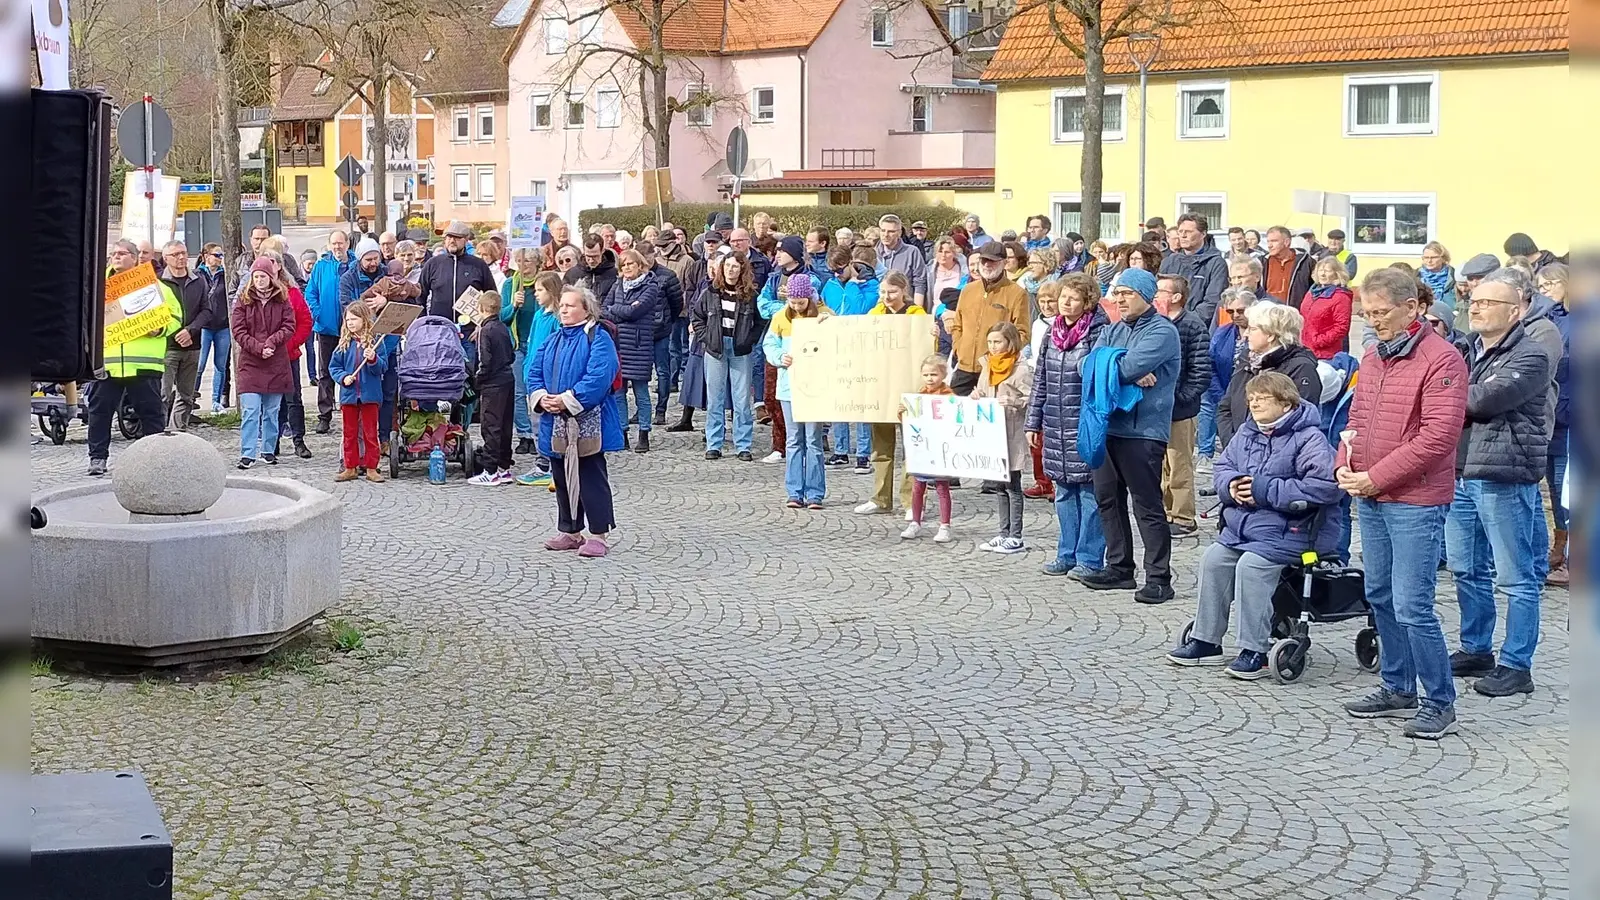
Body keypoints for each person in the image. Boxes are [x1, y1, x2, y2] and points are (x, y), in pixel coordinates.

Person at [1336, 268, 1468, 740]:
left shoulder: (1443, 360)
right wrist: (1343, 465)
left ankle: (1439, 699)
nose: (1373, 322)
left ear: (1412, 308)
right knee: (1380, 594)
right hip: (1370, 491)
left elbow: (1438, 438)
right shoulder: (1373, 356)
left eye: (1380, 312)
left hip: (1414, 498)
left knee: (1414, 603)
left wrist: (1377, 477)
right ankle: (1397, 685)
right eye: (1366, 313)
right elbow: (1354, 419)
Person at [1167, 372, 1342, 678]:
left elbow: (1326, 487)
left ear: (1286, 403)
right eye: (1251, 398)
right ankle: (1207, 640)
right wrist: (1231, 486)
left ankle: (1255, 649)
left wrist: (1264, 490)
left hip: (1294, 529)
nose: (1254, 403)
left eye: (1263, 398)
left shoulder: (1309, 438)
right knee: (1214, 558)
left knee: (1251, 565)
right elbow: (1223, 467)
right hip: (1247, 527)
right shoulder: (1248, 432)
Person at [1441, 276, 1553, 697]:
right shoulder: (1466, 348)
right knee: (1466, 568)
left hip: (1503, 476)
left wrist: (1449, 393)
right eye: (1474, 299)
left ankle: (1516, 664)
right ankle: (1476, 648)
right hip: (1461, 472)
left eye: (1489, 301)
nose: (1477, 307)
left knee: (1515, 575)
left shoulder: (1532, 354)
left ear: (1515, 310)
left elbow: (1484, 401)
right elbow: (1450, 393)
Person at [1077, 268, 1180, 604]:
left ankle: (1159, 578)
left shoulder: (1163, 332)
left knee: (1147, 505)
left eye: (1126, 293)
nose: (1119, 299)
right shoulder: (1112, 329)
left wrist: (1116, 367)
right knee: (1108, 499)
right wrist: (1118, 365)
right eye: (1116, 293)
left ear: (1146, 296)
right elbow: (1084, 366)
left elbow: (1123, 368)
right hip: (1108, 425)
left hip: (1143, 431)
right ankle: (1120, 568)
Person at [529, 285, 624, 558]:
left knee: (591, 475)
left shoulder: (599, 338)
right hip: (555, 421)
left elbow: (599, 376)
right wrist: (542, 397)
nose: (564, 309)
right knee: (561, 475)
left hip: (587, 420)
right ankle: (570, 531)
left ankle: (598, 534)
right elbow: (535, 372)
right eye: (563, 305)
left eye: (571, 305)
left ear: (586, 309)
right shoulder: (553, 339)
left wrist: (568, 399)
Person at [1026, 271, 1107, 576]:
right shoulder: (1052, 333)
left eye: (1074, 298)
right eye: (1063, 297)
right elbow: (1041, 381)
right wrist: (1033, 422)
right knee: (1063, 492)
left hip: (1084, 423)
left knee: (1088, 493)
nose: (1066, 303)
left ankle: (1089, 557)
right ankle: (1066, 553)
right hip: (1056, 422)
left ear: (1088, 302)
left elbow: (1101, 378)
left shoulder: (1099, 332)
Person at [87, 240, 182, 476]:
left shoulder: (156, 287)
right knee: (99, 412)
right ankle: (97, 459)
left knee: (151, 414)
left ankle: (157, 460)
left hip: (143, 363)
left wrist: (159, 329)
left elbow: (176, 318)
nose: (116, 257)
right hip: (107, 362)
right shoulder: (99, 288)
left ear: (134, 257)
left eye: (121, 254)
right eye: (113, 254)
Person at [856, 271, 928, 515]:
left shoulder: (916, 315)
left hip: (908, 388)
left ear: (904, 291)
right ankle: (880, 498)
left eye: (892, 292)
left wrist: (934, 336)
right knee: (881, 447)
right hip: (881, 388)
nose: (887, 297)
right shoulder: (874, 315)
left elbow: (926, 351)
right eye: (884, 292)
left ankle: (911, 502)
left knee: (911, 447)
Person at [764, 273, 831, 509]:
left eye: (800, 302)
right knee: (794, 440)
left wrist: (829, 325)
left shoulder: (824, 316)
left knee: (813, 440)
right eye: (792, 301)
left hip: (815, 387)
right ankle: (794, 492)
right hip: (789, 386)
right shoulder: (780, 317)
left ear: (810, 298)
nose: (795, 306)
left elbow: (838, 342)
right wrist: (780, 357)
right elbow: (769, 344)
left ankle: (815, 493)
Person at [1216, 301, 1320, 448]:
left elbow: (1297, 422)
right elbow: (1225, 407)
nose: (1245, 334)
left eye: (1252, 329)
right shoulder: (1247, 359)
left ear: (1270, 335)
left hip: (1276, 458)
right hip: (1238, 450)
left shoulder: (1301, 368)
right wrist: (1234, 445)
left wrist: (1259, 452)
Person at [968, 321, 1033, 553]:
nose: (993, 347)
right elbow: (984, 390)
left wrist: (1014, 401)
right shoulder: (987, 366)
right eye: (990, 342)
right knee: (999, 486)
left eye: (998, 342)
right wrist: (977, 394)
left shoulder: (1021, 369)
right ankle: (1003, 531)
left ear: (1010, 342)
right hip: (992, 433)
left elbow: (1032, 399)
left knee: (1013, 485)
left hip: (1011, 432)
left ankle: (1016, 535)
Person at [693, 252, 761, 460]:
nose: (731, 270)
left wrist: (749, 340)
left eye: (735, 267)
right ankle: (714, 443)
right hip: (715, 348)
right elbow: (697, 317)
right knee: (715, 398)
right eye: (727, 266)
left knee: (741, 400)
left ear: (742, 270)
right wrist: (707, 338)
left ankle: (743, 445)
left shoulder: (750, 295)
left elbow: (760, 322)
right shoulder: (710, 292)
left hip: (740, 349)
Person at [231, 258, 297, 470]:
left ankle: (268, 449)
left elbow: (289, 326)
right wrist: (258, 347)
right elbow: (238, 330)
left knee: (271, 411)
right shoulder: (243, 300)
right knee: (251, 410)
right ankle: (248, 453)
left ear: (271, 277)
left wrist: (271, 343)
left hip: (276, 362)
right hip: (251, 362)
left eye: (263, 276)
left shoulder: (282, 299)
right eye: (256, 276)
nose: (259, 280)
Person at [1159, 274, 1212, 537]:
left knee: (1179, 465)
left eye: (1161, 291)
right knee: (1161, 466)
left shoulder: (1192, 324)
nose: (1156, 295)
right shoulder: (1156, 323)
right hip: (1157, 409)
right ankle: (1164, 513)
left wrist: (1181, 397)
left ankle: (1182, 517)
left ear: (1176, 297)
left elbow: (1201, 370)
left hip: (1181, 409)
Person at [822, 246, 881, 469]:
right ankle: (841, 449)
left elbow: (862, 309)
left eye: (840, 270)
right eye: (833, 271)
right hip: (836, 348)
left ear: (851, 265)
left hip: (861, 348)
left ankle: (864, 451)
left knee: (861, 401)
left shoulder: (871, 286)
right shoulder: (830, 285)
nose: (836, 275)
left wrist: (855, 285)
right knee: (839, 400)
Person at [949, 242, 1031, 396]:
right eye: (983, 260)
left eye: (992, 261)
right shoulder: (968, 290)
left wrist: (1001, 358)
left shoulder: (1017, 293)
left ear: (1004, 263)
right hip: (964, 367)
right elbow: (957, 324)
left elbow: (1022, 333)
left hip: (995, 370)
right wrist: (959, 348)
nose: (987, 265)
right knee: (956, 416)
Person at [1535, 263, 1572, 586]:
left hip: (1575, 419)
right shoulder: (1552, 318)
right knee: (1555, 488)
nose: (1543, 290)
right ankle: (1559, 550)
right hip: (1553, 418)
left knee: (1569, 492)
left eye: (1548, 284)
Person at [158, 241, 220, 432]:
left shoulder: (198, 280)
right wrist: (175, 333)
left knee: (186, 394)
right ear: (166, 258)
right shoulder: (158, 283)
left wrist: (191, 330)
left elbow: (206, 311)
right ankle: (159, 432)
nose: (181, 258)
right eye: (176, 254)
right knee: (163, 394)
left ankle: (178, 431)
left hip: (192, 346)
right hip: (167, 347)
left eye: (184, 253)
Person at [606, 249, 663, 453]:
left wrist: (618, 310)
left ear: (640, 265)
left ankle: (644, 433)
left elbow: (634, 312)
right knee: (619, 393)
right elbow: (605, 309)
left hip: (639, 347)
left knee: (641, 394)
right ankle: (622, 433)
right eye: (624, 265)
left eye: (631, 264)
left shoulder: (650, 287)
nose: (627, 268)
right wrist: (620, 311)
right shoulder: (617, 285)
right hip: (619, 346)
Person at [1198, 289, 1254, 491]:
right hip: (1223, 391)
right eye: (1231, 312)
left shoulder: (1260, 333)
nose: (1236, 315)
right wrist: (1221, 395)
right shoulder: (1222, 333)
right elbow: (1209, 363)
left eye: (1241, 310)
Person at [261, 250, 314, 460]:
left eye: (272, 262)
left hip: (289, 355)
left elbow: (305, 321)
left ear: (280, 266)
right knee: (272, 401)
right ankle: (271, 442)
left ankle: (298, 440)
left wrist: (289, 344)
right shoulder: (256, 293)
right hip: (267, 357)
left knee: (294, 399)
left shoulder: (292, 292)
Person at [327, 303, 387, 483]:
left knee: (370, 433)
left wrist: (373, 359)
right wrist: (344, 377)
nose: (350, 323)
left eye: (354, 319)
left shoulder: (375, 342)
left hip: (370, 395)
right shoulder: (344, 343)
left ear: (364, 319)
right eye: (348, 320)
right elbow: (334, 366)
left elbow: (383, 368)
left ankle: (371, 467)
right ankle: (350, 466)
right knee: (349, 433)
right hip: (349, 395)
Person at [305, 230, 354, 433]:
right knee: (325, 372)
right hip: (326, 327)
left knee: (349, 371)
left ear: (347, 244)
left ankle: (348, 411)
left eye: (341, 243)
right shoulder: (321, 266)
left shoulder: (354, 265)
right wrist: (318, 314)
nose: (337, 247)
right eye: (334, 243)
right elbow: (311, 292)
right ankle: (324, 414)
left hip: (351, 328)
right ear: (329, 245)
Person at [468, 291, 517, 485]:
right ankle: (504, 468)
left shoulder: (484, 331)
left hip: (492, 383)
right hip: (507, 378)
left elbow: (484, 360)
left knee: (490, 425)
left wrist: (477, 380)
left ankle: (490, 470)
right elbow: (511, 353)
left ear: (481, 309)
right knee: (505, 425)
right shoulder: (503, 328)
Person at [1022, 280, 1063, 498]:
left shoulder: (1063, 323)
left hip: (1058, 381)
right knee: (1036, 434)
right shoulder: (1038, 325)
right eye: (1043, 301)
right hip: (1038, 379)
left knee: (1054, 436)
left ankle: (1056, 482)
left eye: (1051, 301)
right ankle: (1042, 481)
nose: (1046, 306)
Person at [1158, 214, 1227, 328]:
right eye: (1180, 231)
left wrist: (1185, 321)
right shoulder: (1169, 262)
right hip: (1167, 324)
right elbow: (1159, 294)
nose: (1183, 236)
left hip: (1198, 328)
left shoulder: (1216, 263)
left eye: (1189, 232)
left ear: (1203, 234)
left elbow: (1212, 302)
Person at [417, 221, 496, 320]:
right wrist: (424, 322)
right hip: (439, 328)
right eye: (449, 237)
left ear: (466, 240)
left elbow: (491, 296)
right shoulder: (433, 264)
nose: (452, 241)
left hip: (470, 329)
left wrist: (485, 323)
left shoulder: (479, 265)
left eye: (457, 237)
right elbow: (420, 295)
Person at [193, 243, 233, 411]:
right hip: (204, 326)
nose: (220, 258)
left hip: (222, 325)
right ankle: (191, 397)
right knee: (199, 364)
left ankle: (216, 402)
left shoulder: (226, 275)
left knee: (220, 365)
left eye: (221, 255)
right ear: (206, 256)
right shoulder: (197, 275)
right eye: (217, 255)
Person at [1300, 256, 1354, 360]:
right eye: (1320, 270)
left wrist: (1318, 341)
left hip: (1326, 354)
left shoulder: (1340, 297)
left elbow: (1341, 328)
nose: (1322, 274)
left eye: (1327, 271)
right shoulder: (1312, 293)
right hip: (1306, 350)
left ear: (1337, 273)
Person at [874, 215, 929, 310]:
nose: (886, 234)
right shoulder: (873, 253)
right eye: (883, 230)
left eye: (891, 231)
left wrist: (917, 311)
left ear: (899, 233)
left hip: (906, 309)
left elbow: (920, 283)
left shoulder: (912, 252)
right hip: (879, 310)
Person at [1261, 226, 1313, 307]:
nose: (1269, 245)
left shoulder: (1306, 262)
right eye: (1268, 241)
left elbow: (1314, 289)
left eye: (1274, 241)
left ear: (1287, 242)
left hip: (1295, 313)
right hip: (1269, 313)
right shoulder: (1262, 262)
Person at [925, 237, 968, 309]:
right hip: (935, 313)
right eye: (940, 251)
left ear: (954, 254)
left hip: (956, 310)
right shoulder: (929, 271)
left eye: (947, 252)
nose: (943, 255)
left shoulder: (964, 270)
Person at [1418, 241, 1457, 316]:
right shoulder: (1416, 276)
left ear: (1443, 258)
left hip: (1449, 316)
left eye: (1434, 257)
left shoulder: (1453, 276)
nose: (1429, 261)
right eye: (1426, 257)